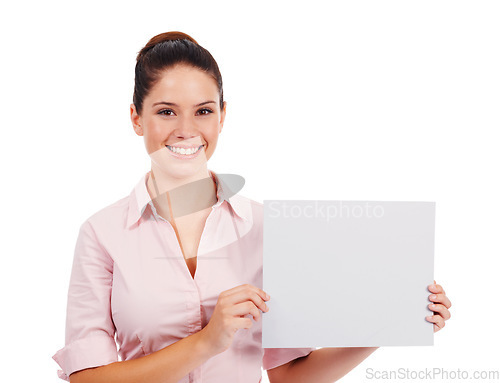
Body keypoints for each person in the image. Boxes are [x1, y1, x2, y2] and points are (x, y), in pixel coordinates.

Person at [51, 31, 452, 383]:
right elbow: (88, 378)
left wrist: (389, 322)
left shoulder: (267, 227)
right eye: (166, 111)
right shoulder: (102, 233)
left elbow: (291, 375)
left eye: (204, 111)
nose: (186, 130)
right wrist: (208, 342)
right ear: (137, 118)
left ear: (222, 117)